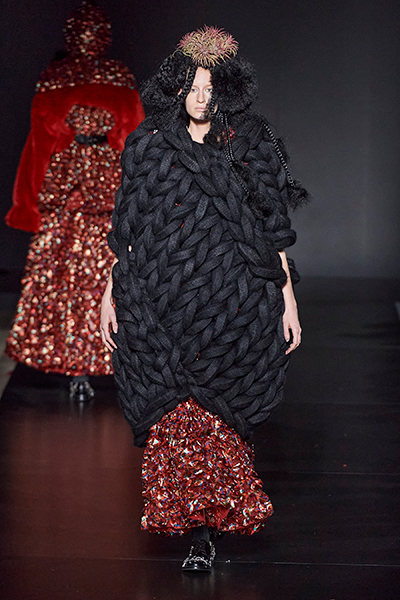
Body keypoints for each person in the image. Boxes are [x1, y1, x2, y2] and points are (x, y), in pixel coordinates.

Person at [101, 26, 308, 572]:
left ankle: (212, 526)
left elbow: (273, 229)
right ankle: (189, 525)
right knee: (174, 411)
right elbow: (127, 229)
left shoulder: (250, 142)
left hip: (234, 299)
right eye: (191, 86)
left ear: (228, 89)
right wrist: (109, 291)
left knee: (220, 411)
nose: (199, 98)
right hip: (160, 296)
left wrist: (287, 299)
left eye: (210, 88)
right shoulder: (148, 143)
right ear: (175, 86)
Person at [5, 0, 145, 401]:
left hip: (79, 185)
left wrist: (27, 203)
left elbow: (39, 147)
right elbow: (132, 140)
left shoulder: (60, 77)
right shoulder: (111, 76)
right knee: (82, 271)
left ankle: (89, 360)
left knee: (75, 273)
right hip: (87, 185)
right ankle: (89, 361)